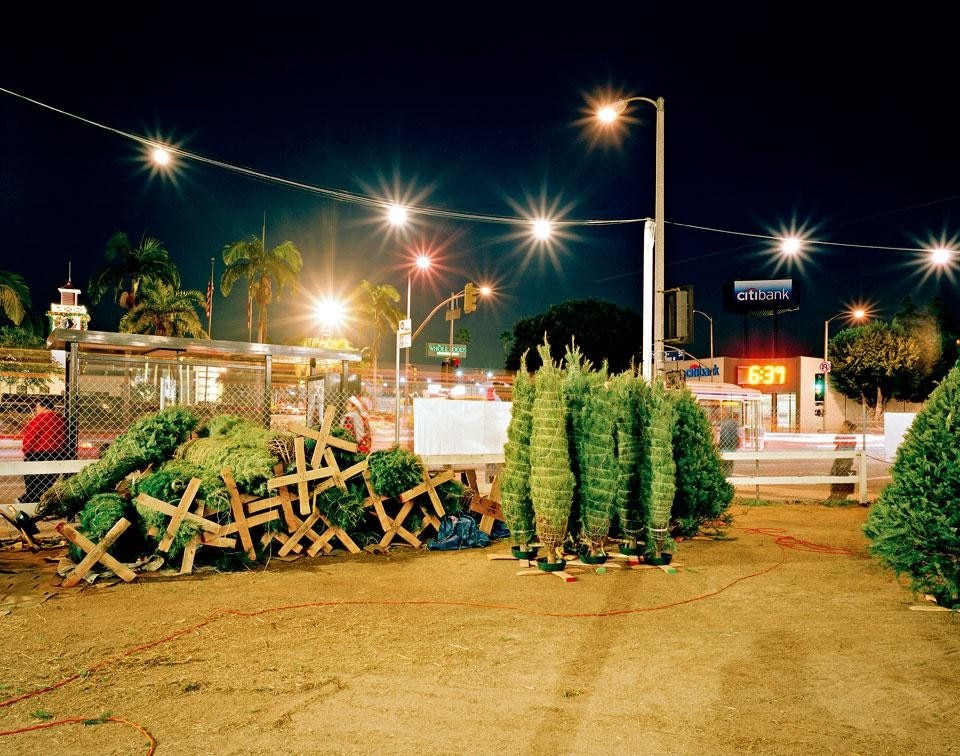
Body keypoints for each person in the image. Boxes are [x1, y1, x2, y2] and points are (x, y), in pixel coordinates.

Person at [21, 396, 67, 503]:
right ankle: (37, 498)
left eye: (37, 407)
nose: (36, 410)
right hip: (57, 454)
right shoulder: (61, 419)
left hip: (38, 454)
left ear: (44, 407)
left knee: (32, 482)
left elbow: (30, 437)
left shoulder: (39, 419)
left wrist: (26, 451)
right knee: (46, 482)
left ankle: (30, 499)